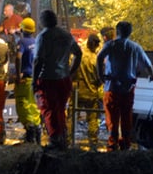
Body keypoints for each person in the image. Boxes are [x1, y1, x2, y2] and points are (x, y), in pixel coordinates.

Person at [96, 21, 153, 151]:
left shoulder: (110, 45)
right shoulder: (135, 47)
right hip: (128, 88)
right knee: (126, 117)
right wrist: (152, 75)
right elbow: (148, 64)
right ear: (130, 32)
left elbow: (99, 58)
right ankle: (125, 145)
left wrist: (101, 76)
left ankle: (113, 145)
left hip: (112, 87)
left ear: (117, 32)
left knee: (112, 118)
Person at [33, 9, 82, 150]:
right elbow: (78, 54)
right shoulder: (66, 35)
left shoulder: (43, 37)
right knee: (60, 110)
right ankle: (63, 139)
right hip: (64, 79)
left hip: (47, 79)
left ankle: (55, 141)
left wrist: (34, 81)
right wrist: (70, 72)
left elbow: (38, 61)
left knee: (49, 110)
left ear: (43, 21)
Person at [74, 33, 104, 150]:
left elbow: (71, 70)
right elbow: (100, 78)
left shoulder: (78, 56)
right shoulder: (96, 59)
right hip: (91, 92)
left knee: (71, 117)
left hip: (77, 91)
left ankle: (68, 140)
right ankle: (93, 143)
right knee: (92, 118)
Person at [14, 17, 42, 144]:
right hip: (34, 77)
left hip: (25, 78)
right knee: (33, 105)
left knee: (23, 104)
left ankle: (29, 130)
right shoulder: (36, 42)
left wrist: (18, 74)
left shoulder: (22, 42)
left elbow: (18, 57)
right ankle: (37, 131)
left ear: (22, 29)